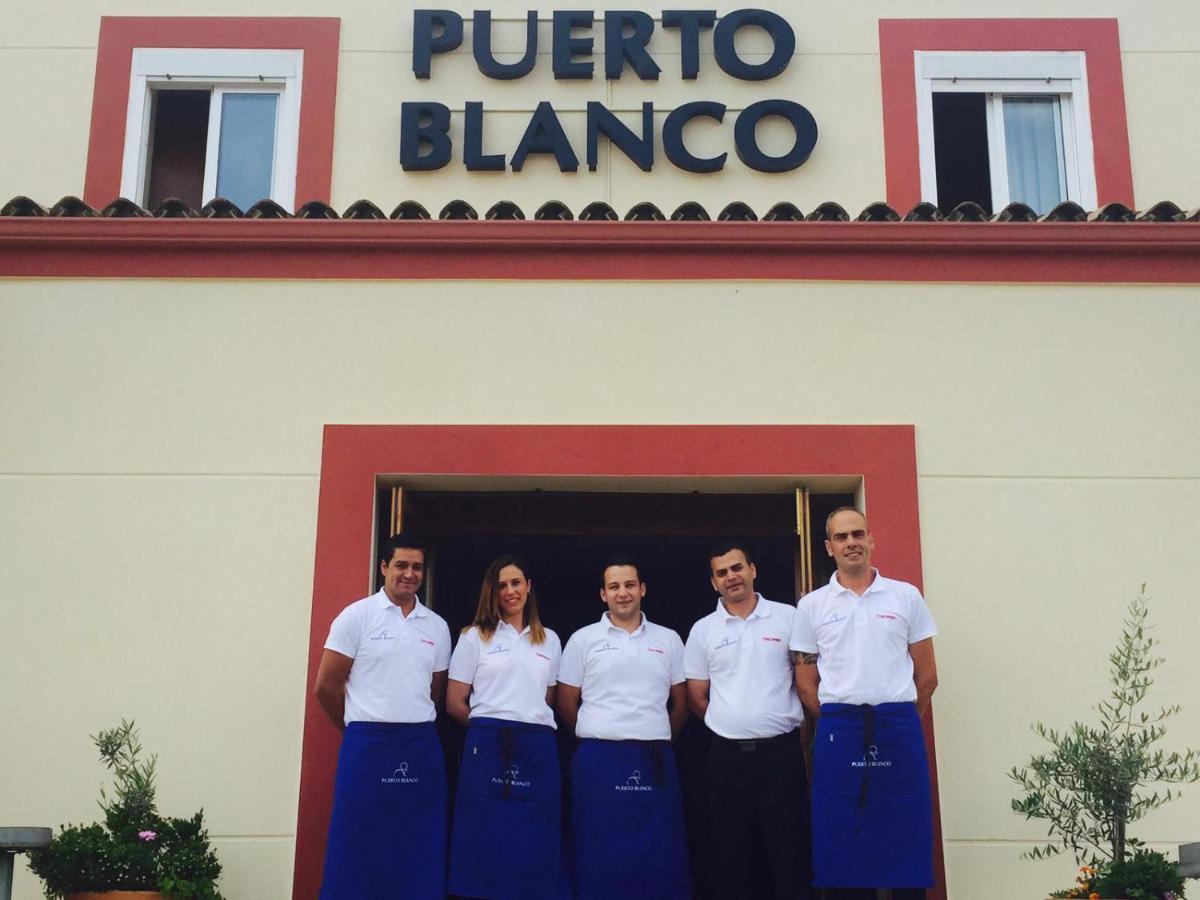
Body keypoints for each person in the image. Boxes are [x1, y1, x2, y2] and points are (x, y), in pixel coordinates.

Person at [791, 507, 939, 900]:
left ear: (871, 540)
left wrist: (902, 720)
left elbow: (927, 675)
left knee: (903, 827)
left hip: (898, 726)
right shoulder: (812, 606)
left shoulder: (905, 596)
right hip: (841, 729)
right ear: (828, 547)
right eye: (841, 537)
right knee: (842, 832)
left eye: (858, 534)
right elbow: (806, 681)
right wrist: (840, 725)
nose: (851, 542)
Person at [313, 533, 451, 899]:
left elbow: (433, 693)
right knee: (357, 841)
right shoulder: (356, 617)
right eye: (401, 565)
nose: (409, 574)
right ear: (384, 567)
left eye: (417, 567)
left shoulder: (436, 626)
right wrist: (353, 727)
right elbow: (326, 686)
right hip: (367, 747)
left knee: (418, 842)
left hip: (419, 747)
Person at [683, 541, 812, 900]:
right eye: (722, 573)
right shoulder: (703, 630)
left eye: (737, 568)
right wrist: (731, 722)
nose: (731, 577)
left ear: (753, 569)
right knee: (732, 856)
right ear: (713, 583)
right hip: (726, 759)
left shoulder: (789, 617)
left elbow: (807, 678)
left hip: (780, 756)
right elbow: (696, 695)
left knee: (789, 852)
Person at [557, 556, 690, 900]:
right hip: (598, 759)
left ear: (642, 589)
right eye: (614, 587)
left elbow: (680, 703)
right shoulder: (582, 640)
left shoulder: (669, 639)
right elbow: (566, 702)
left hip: (653, 757)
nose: (623, 593)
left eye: (629, 585)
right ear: (603, 594)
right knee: (595, 847)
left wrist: (656, 736)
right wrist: (598, 733)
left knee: (659, 850)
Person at [446, 554, 563, 899]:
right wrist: (489, 733)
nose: (510, 591)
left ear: (529, 587)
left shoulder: (551, 640)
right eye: (501, 586)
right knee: (484, 831)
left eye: (516, 583)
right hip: (487, 744)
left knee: (535, 830)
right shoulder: (473, 637)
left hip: (537, 746)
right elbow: (454, 701)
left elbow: (548, 700)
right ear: (491, 593)